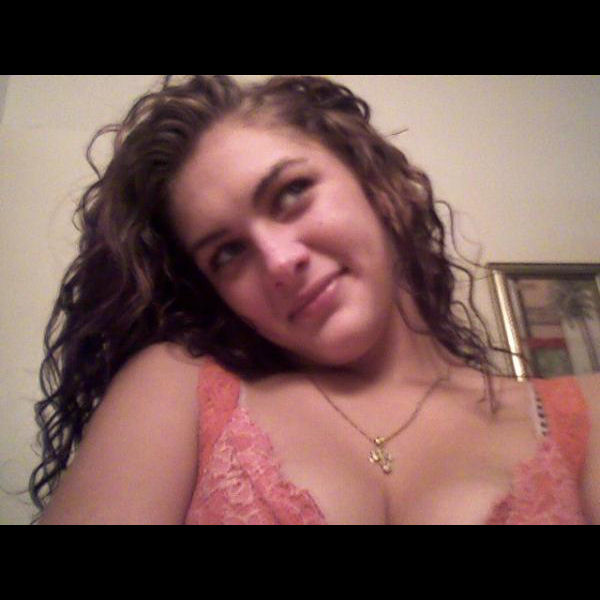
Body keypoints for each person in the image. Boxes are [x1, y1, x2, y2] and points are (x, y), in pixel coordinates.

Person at [30, 75, 600, 525]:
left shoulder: (584, 413)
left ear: (384, 187)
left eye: (292, 192)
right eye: (228, 252)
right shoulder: (176, 389)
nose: (279, 262)